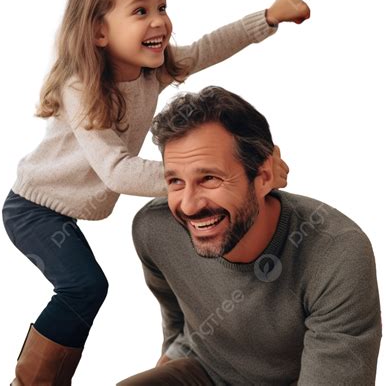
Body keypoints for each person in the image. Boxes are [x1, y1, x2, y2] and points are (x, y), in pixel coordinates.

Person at [1, 0, 309, 385]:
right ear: (99, 31)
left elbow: (206, 48)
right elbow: (118, 172)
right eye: (140, 11)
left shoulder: (152, 71)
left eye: (161, 7)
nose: (159, 21)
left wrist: (268, 18)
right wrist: (200, 177)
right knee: (84, 287)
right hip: (33, 208)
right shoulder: (82, 87)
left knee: (92, 284)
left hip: (64, 209)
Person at [117, 86, 382, 385]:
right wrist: (174, 353)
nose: (189, 205)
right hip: (206, 369)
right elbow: (174, 307)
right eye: (176, 181)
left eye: (210, 178)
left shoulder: (337, 254)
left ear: (264, 176)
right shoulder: (156, 229)